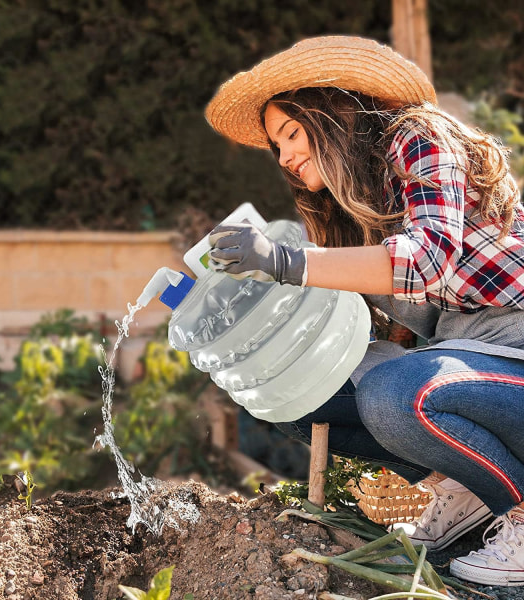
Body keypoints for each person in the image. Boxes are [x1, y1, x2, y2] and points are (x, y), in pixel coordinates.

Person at [204, 36, 524, 587]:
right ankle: (466, 482)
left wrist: (283, 260)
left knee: (397, 394)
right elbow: (358, 327)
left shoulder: (418, 137)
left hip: (511, 357)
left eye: (290, 134)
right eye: (275, 148)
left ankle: (516, 508)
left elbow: (428, 262)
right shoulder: (350, 203)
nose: (284, 157)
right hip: (464, 360)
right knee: (289, 394)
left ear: (332, 113)